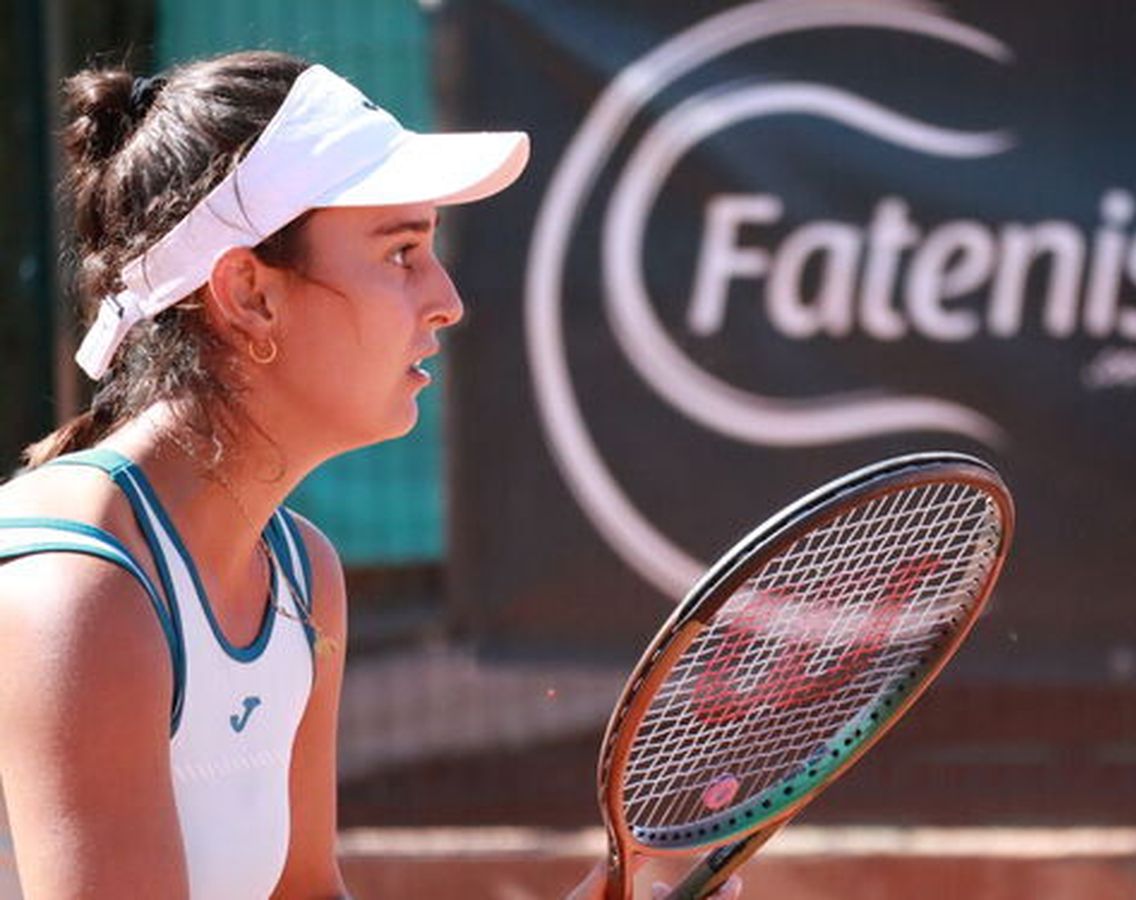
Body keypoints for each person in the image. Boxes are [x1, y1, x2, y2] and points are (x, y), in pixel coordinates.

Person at [0, 50, 737, 900]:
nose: (447, 299)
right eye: (400, 254)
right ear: (248, 294)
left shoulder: (302, 577)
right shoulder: (76, 598)